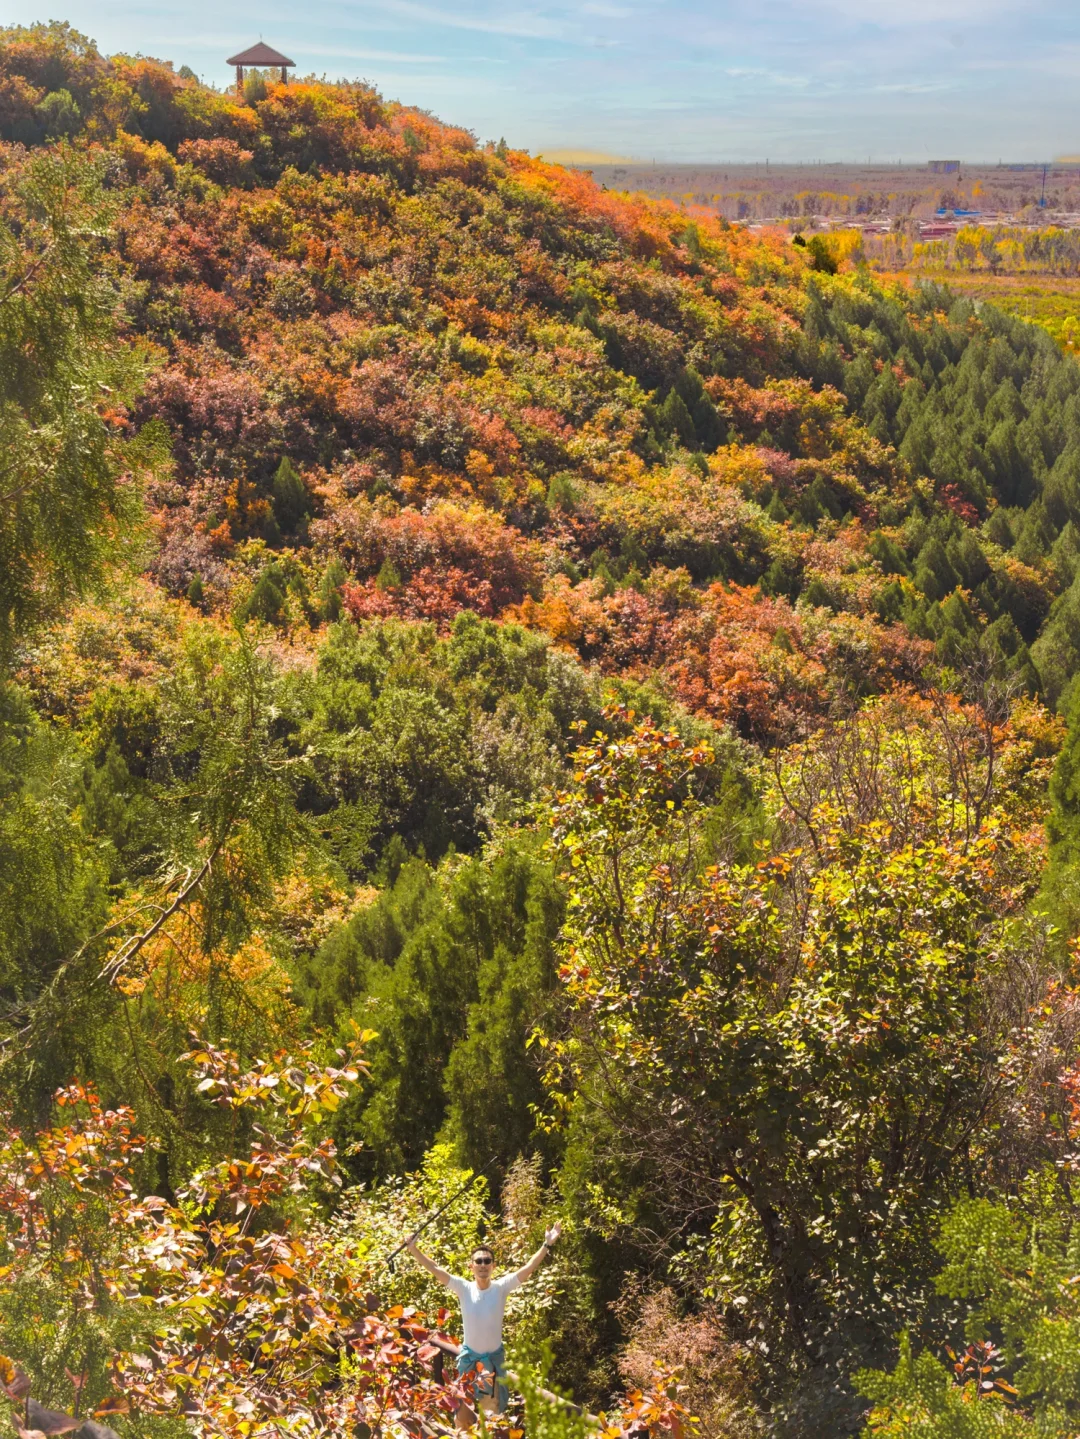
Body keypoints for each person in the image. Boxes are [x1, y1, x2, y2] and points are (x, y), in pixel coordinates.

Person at [404, 1223, 562, 1428]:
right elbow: (435, 1269)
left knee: (489, 1420)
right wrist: (413, 1249)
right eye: (478, 1261)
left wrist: (546, 1245)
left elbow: (528, 1268)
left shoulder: (502, 1288)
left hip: (492, 1366)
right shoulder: (463, 1288)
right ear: (471, 1266)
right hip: (469, 1364)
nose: (483, 1264)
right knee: (463, 1418)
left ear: (493, 1266)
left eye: (487, 1261)